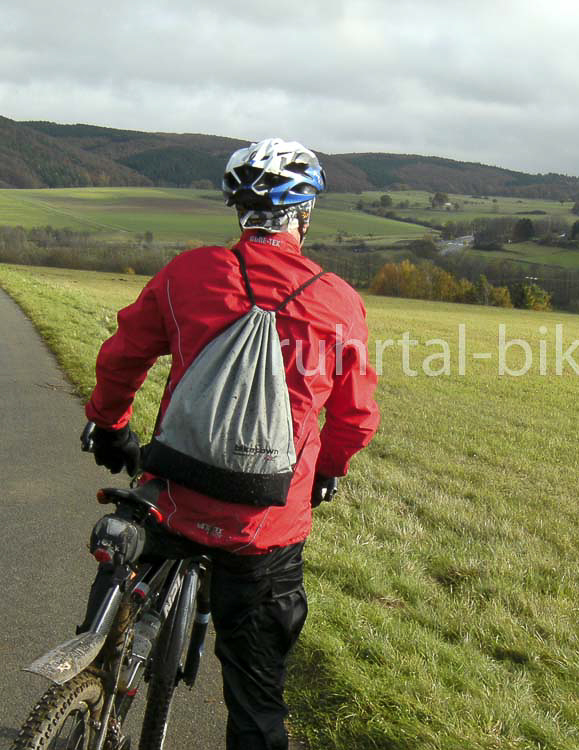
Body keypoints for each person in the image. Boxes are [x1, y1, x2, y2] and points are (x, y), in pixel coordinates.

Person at [83, 138, 380, 750]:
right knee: (257, 702)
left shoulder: (188, 274)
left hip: (174, 494)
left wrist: (110, 425)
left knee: (121, 566)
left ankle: (91, 679)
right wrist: (326, 471)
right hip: (265, 525)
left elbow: (122, 358)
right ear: (304, 215)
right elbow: (354, 419)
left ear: (239, 211)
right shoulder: (338, 302)